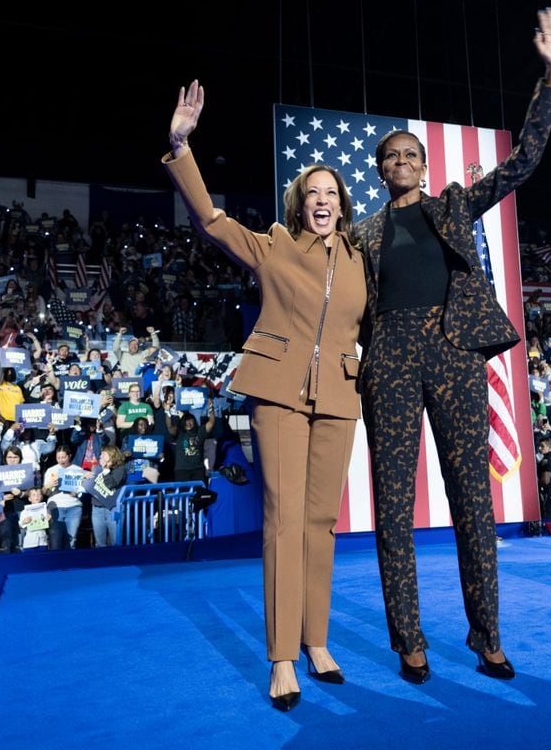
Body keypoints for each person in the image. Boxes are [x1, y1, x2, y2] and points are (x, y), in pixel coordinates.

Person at [351, 8, 551, 683]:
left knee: (474, 501)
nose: (402, 163)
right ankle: (408, 641)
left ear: (423, 165)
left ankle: (488, 637)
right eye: (391, 157)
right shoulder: (359, 234)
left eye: (411, 155)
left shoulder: (453, 205)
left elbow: (524, 163)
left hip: (453, 355)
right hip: (387, 357)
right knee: (393, 507)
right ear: (380, 170)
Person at [165, 79, 365, 711]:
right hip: (276, 391)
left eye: (332, 193)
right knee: (282, 520)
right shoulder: (274, 245)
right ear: (298, 202)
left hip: (338, 393)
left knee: (320, 523)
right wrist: (181, 146)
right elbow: (212, 221)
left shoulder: (364, 259)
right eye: (313, 194)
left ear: (344, 203)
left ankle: (317, 641)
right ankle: (282, 658)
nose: (322, 202)